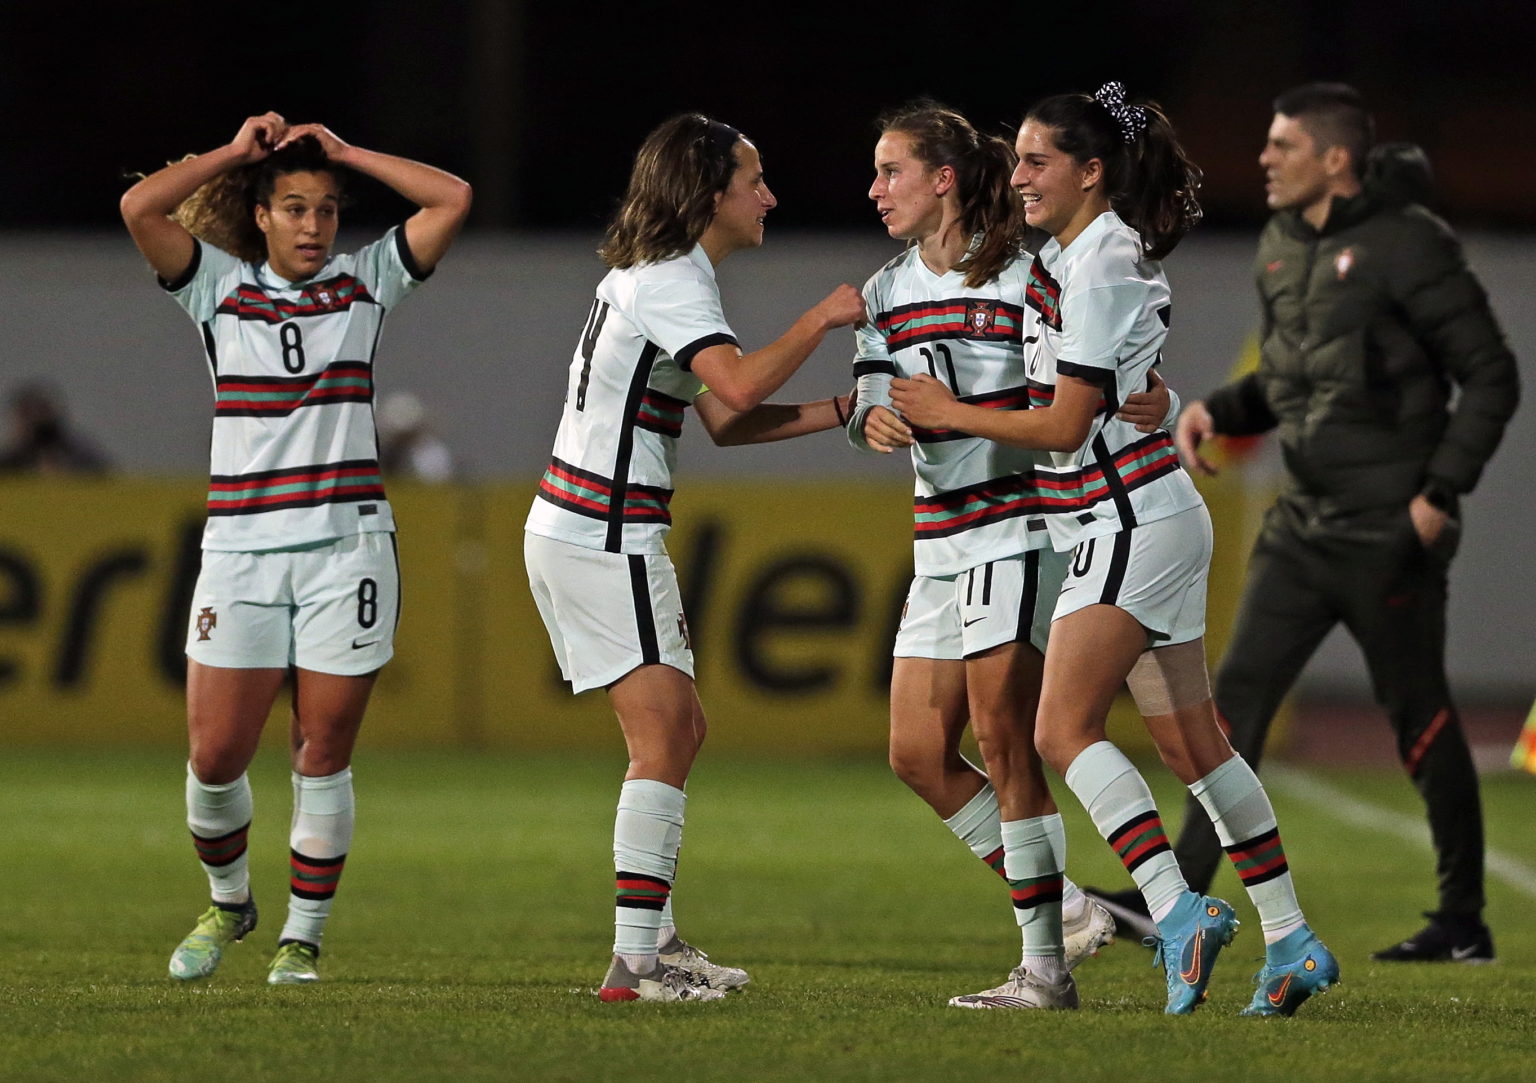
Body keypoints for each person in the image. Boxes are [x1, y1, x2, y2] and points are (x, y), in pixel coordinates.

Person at [890, 82, 1337, 1017]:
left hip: (1125, 518)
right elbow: (1117, 387)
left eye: (1037, 161)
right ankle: (1290, 934)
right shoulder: (1083, 253)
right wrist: (1161, 399)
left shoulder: (1095, 261)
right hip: (1136, 512)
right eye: (1015, 160)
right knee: (1196, 747)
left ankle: (1176, 912)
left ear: (1092, 171)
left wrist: (948, 411)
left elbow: (1060, 426)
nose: (1017, 178)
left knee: (1059, 729)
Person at [1094, 82, 1517, 964]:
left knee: (1419, 718)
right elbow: (1293, 378)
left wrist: (1439, 491)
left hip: (1389, 528)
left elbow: (1490, 375)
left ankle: (1462, 918)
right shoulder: (1282, 245)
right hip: (1304, 522)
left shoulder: (1410, 244)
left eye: (1284, 145)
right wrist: (1222, 407)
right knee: (1228, 708)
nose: (1265, 158)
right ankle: (1172, 901)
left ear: (1334, 158)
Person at [120, 112, 472, 984]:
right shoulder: (217, 290)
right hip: (242, 552)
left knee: (322, 749)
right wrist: (236, 154)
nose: (314, 225)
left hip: (347, 550)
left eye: (325, 208)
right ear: (261, 216)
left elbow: (452, 197)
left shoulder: (365, 286)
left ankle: (301, 937)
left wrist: (348, 152)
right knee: (213, 758)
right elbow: (139, 207)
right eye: (294, 208)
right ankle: (230, 900)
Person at [523, 113, 865, 1004]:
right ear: (709, 193)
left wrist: (843, 409)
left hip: (587, 527)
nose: (769, 196)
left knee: (681, 729)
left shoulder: (661, 276)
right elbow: (744, 385)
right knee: (666, 734)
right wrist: (825, 317)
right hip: (603, 532)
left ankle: (652, 944)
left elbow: (723, 417)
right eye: (754, 179)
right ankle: (637, 962)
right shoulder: (673, 278)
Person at [850, 101, 1181, 1010]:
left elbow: (1103, 367)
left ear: (943, 179)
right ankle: (1073, 908)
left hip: (1021, 527)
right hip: (938, 535)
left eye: (892, 171)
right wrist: (867, 415)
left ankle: (1044, 968)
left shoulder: (1027, 274)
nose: (876, 189)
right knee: (917, 751)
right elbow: (870, 387)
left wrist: (1159, 393)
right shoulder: (883, 290)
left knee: (1005, 739)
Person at [0, 382, 111, 474]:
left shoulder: (84, 458)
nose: (36, 423)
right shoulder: (7, 463)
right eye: (27, 414)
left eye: (43, 412)